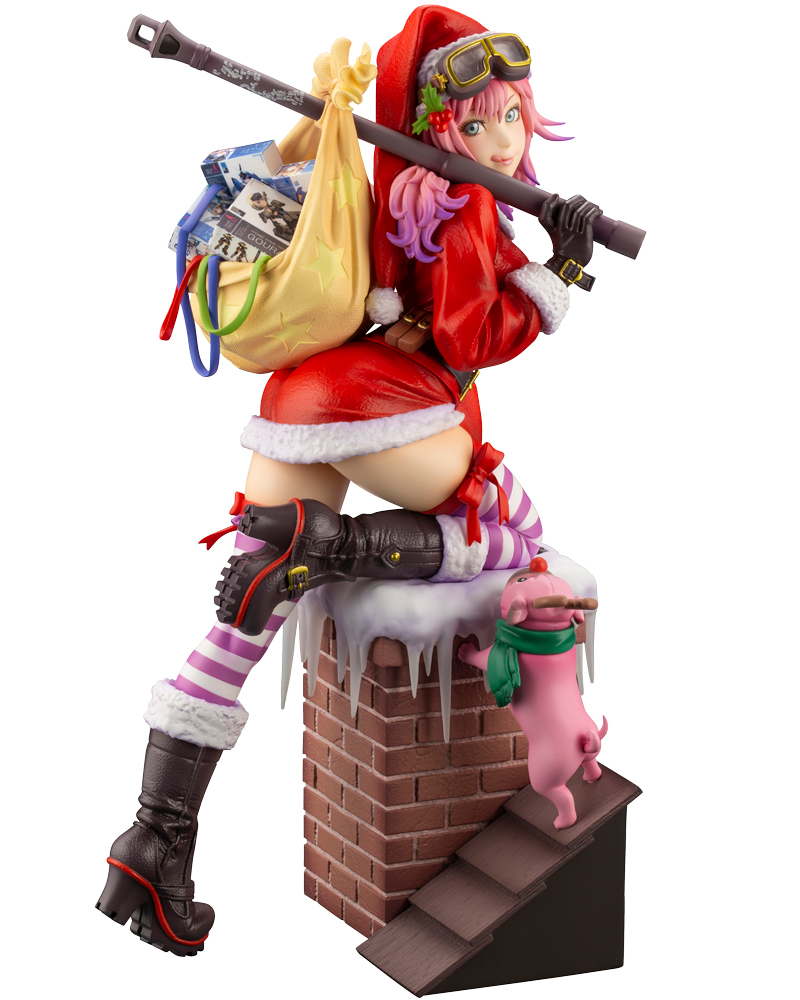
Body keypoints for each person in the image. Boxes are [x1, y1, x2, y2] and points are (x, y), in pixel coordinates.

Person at [96, 5, 601, 955]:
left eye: (513, 116)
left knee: (248, 614)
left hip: (303, 399)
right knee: (513, 531)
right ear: (443, 125)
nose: (504, 139)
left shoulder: (395, 185)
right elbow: (469, 337)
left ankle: (153, 840)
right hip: (389, 412)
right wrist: (560, 272)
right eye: (481, 121)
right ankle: (333, 546)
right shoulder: (464, 204)